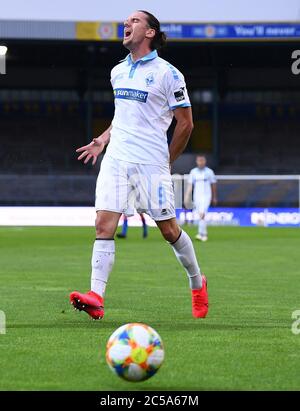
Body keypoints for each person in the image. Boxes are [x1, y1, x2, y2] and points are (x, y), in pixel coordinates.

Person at [69, 10, 209, 320]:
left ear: (150, 32)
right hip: (116, 158)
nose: (126, 24)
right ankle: (96, 296)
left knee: (169, 230)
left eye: (134, 21)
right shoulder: (118, 71)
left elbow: (185, 124)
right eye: (126, 21)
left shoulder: (168, 74)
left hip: (151, 163)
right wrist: (103, 139)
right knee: (103, 225)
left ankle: (197, 283)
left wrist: (166, 161)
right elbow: (122, 117)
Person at [184, 155, 217, 241]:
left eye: (202, 160)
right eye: (199, 160)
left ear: (205, 161)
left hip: (206, 196)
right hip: (197, 196)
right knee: (200, 215)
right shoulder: (193, 172)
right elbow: (190, 185)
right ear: (197, 161)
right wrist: (187, 196)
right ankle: (204, 234)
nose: (201, 162)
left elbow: (213, 185)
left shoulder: (209, 172)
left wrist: (214, 197)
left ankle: (200, 233)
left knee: (202, 213)